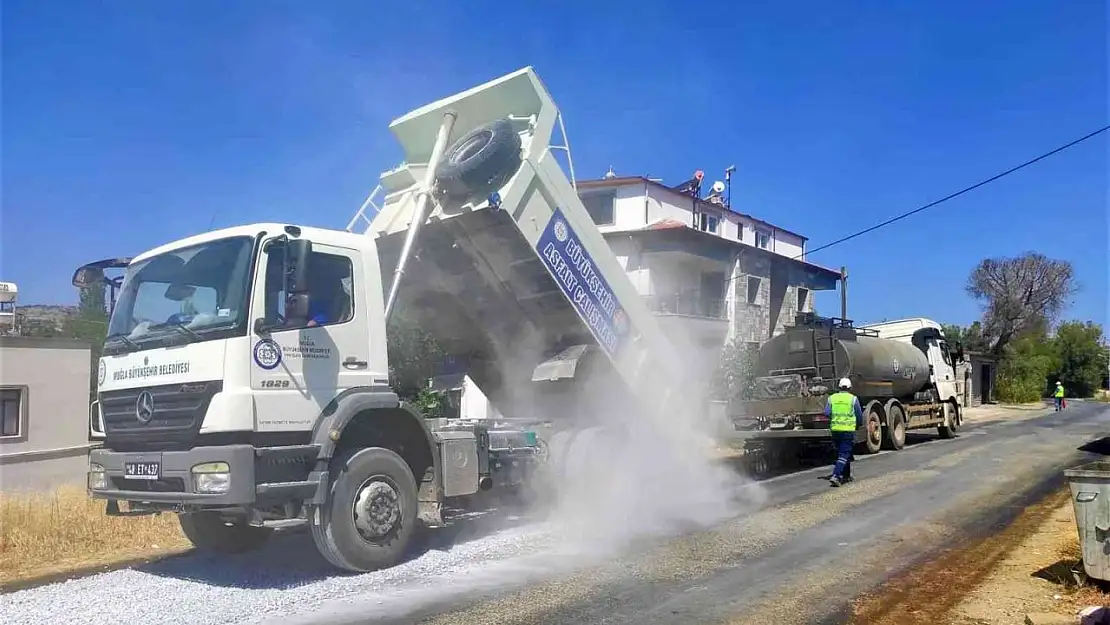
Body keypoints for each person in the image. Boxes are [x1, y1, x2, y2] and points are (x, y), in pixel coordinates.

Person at [826, 377, 864, 487]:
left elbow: (827, 413)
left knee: (842, 453)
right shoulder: (853, 399)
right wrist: (857, 425)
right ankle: (836, 476)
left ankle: (846, 476)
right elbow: (859, 415)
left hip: (835, 430)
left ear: (839, 387)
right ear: (850, 388)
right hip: (848, 430)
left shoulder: (831, 398)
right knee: (844, 454)